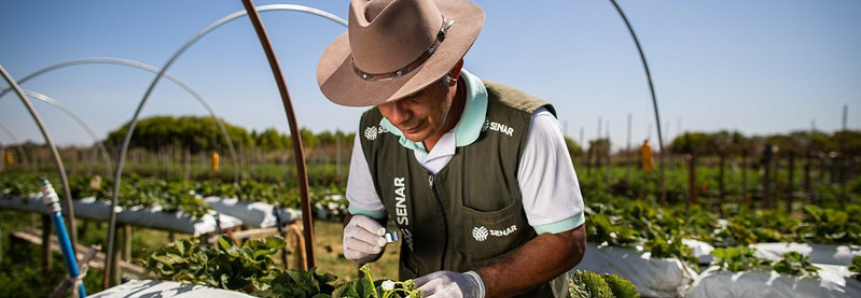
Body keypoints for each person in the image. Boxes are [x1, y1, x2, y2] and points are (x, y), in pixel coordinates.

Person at [316, 1, 586, 297]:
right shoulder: (373, 132)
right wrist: (359, 234)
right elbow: (365, 214)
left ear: (453, 70)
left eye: (413, 94)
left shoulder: (526, 127)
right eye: (381, 97)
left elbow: (566, 241)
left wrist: (478, 284)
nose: (396, 116)